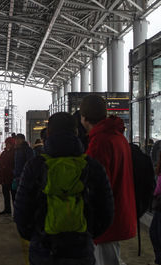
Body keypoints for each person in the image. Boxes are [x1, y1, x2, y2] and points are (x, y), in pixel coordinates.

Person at [14, 112, 114, 265]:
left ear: (48, 133)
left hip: (44, 249)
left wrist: (36, 235)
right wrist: (87, 233)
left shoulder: (35, 166)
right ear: (75, 132)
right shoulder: (91, 166)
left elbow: (21, 210)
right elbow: (106, 211)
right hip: (80, 250)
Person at [80, 95, 136, 265]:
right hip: (119, 211)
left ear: (84, 117)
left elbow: (96, 187)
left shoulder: (100, 142)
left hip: (105, 219)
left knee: (105, 260)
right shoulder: (118, 137)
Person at [0, 137, 15, 215]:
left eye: (9, 144)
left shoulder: (15, 153)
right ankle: (7, 209)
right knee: (6, 195)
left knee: (14, 196)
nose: (7, 145)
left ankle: (16, 212)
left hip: (11, 178)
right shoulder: (4, 153)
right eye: (7, 144)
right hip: (4, 178)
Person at [150, 152, 161, 265]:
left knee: (155, 233)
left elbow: (157, 189)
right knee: (154, 232)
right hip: (159, 205)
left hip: (159, 204)